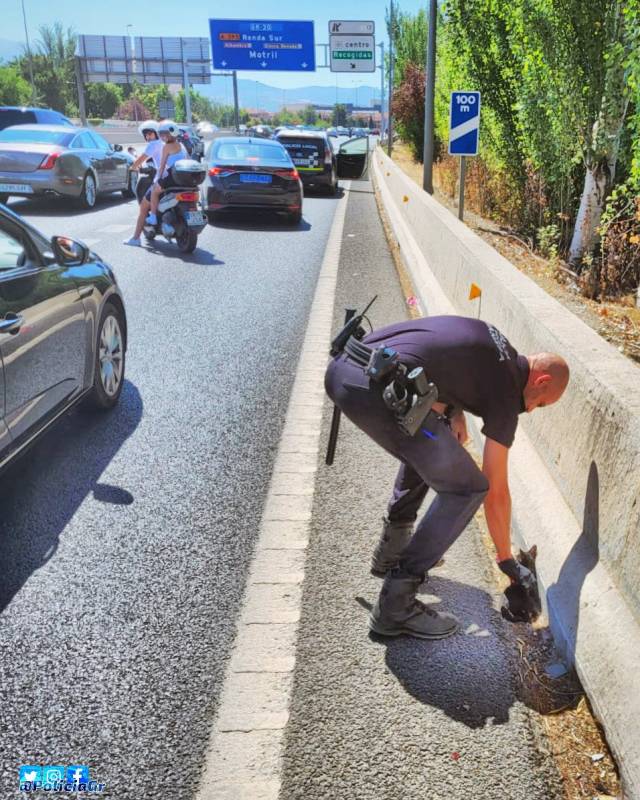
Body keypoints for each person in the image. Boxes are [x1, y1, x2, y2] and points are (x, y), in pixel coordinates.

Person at [324, 314, 570, 641]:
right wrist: (506, 560)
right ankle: (396, 605)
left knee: (436, 442)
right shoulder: (507, 394)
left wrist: (454, 412)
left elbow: (440, 358)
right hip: (373, 389)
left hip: (345, 366)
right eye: (539, 403)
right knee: (468, 488)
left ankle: (391, 551)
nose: (533, 409)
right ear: (540, 382)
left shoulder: (495, 340)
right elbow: (495, 489)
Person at [122, 121, 162, 247]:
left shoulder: (153, 145)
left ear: (156, 133)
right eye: (146, 135)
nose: (148, 137)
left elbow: (141, 159)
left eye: (150, 133)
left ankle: (136, 238)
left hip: (160, 178)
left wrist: (132, 167)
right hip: (170, 177)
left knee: (144, 207)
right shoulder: (163, 143)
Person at [144, 121, 186, 227]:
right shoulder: (181, 145)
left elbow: (161, 166)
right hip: (185, 177)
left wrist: (156, 180)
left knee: (154, 191)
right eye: (161, 134)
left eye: (164, 134)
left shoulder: (166, 147)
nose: (162, 137)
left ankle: (153, 217)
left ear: (171, 134)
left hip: (173, 177)